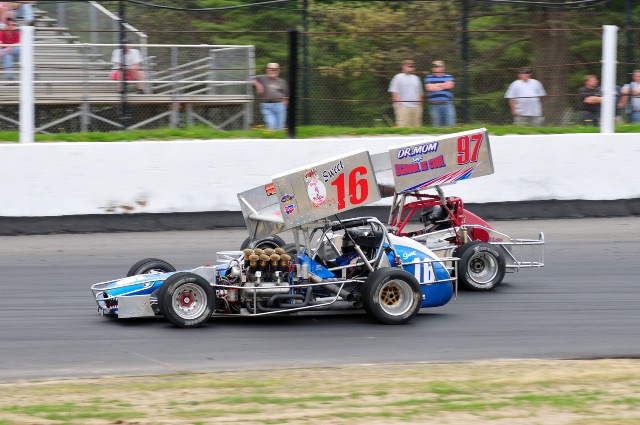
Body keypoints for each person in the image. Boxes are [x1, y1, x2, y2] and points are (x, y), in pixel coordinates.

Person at [387, 59, 423, 127]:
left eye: (412, 66)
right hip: (403, 107)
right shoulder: (398, 77)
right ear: (403, 66)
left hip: (416, 107)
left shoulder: (416, 78)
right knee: (403, 127)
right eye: (409, 66)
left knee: (417, 127)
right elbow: (394, 91)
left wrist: (420, 105)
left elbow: (420, 92)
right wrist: (398, 104)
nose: (411, 68)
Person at [253, 62, 289, 130]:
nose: (274, 71)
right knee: (271, 124)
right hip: (267, 106)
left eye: (276, 70)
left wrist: (285, 101)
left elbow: (286, 94)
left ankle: (279, 139)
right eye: (272, 69)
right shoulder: (262, 78)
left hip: (279, 105)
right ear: (267, 70)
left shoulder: (282, 81)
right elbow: (250, 78)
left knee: (280, 127)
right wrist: (257, 84)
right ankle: (270, 138)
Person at [424, 60, 456, 127]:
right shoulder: (429, 77)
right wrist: (443, 85)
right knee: (437, 127)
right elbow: (429, 88)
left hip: (447, 104)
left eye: (438, 66)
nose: (436, 68)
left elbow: (450, 85)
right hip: (435, 105)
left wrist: (435, 85)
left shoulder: (449, 76)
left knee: (451, 126)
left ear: (443, 68)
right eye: (434, 67)